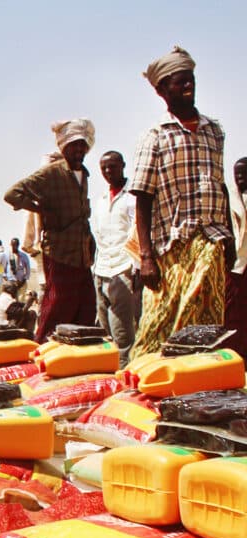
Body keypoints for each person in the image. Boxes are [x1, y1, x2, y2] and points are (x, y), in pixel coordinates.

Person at [129, 47, 234, 357]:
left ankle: (199, 383)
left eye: (191, 80)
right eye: (180, 82)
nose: (188, 86)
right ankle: (147, 376)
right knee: (161, 321)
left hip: (212, 239)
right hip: (172, 247)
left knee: (207, 320)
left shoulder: (215, 131)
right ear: (162, 90)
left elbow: (220, 185)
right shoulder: (155, 136)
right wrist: (146, 255)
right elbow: (143, 198)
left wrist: (228, 235)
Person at [5, 118, 97, 342]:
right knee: (57, 306)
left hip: (82, 254)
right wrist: (40, 208)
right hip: (59, 252)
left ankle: (76, 356)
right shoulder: (51, 173)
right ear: (63, 147)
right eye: (73, 145)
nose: (78, 150)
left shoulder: (84, 175)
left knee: (86, 308)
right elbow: (12, 194)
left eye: (81, 145)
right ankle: (43, 351)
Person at [91, 150, 140, 366]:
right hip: (101, 269)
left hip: (123, 268)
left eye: (113, 166)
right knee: (105, 330)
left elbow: (137, 233)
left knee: (122, 331)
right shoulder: (101, 200)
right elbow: (99, 236)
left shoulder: (132, 197)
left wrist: (136, 267)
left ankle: (124, 375)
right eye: (104, 168)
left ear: (123, 166)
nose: (108, 171)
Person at [226, 158, 247, 358]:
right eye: (237, 174)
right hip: (236, 265)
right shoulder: (229, 198)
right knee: (234, 315)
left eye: (244, 173)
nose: (240, 178)